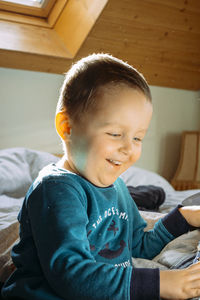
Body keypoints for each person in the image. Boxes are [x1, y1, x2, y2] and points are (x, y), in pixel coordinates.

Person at [1, 53, 200, 300]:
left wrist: (181, 218)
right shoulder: (56, 189)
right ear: (67, 127)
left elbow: (136, 245)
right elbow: (72, 275)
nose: (128, 148)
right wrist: (160, 283)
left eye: (137, 138)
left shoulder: (116, 187)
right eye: (116, 134)